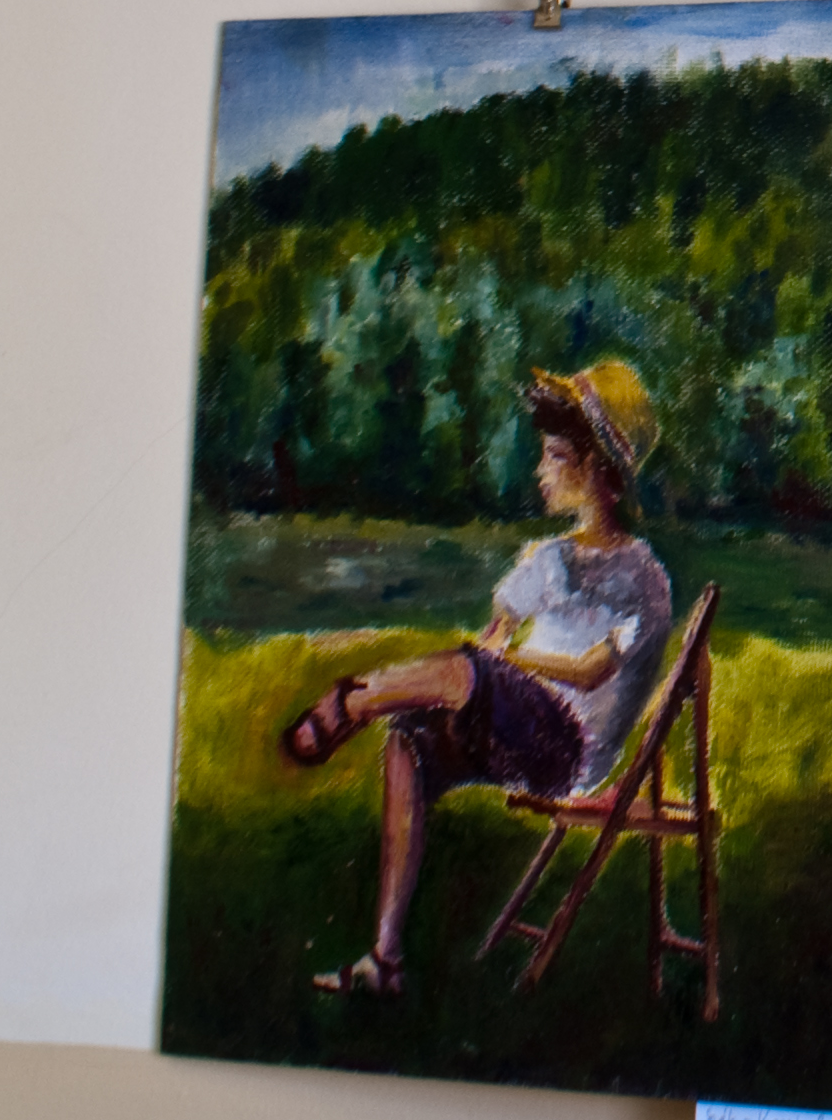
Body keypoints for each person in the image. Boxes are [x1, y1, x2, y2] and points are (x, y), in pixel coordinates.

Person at [281, 361, 677, 998]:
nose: (540, 471)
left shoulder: (644, 579)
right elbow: (495, 636)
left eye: (555, 457)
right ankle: (385, 959)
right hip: (514, 724)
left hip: (568, 751)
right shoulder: (548, 559)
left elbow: (590, 671)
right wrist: (490, 661)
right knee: (409, 742)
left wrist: (503, 663)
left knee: (473, 669)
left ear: (598, 470)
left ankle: (352, 702)